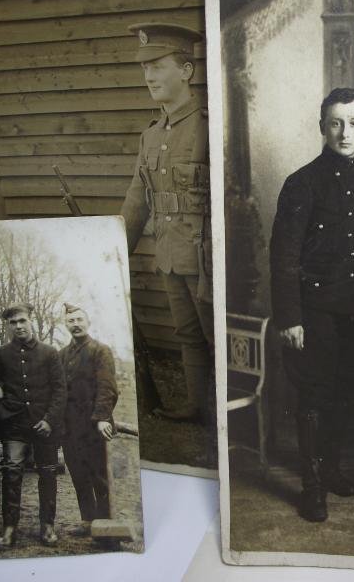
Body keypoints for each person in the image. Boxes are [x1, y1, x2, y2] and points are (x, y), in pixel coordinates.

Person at [270, 87, 354, 522]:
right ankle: (313, 487)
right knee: (314, 397)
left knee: (344, 395)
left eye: (353, 123)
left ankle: (332, 469)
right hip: (314, 312)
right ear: (322, 127)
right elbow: (284, 255)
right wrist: (290, 317)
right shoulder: (302, 183)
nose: (344, 133)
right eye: (336, 123)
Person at [119, 23, 213, 423]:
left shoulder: (209, 127)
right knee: (188, 334)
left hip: (206, 259)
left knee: (214, 335)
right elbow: (136, 202)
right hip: (170, 256)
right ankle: (198, 407)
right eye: (145, 68)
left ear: (187, 71)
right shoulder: (151, 136)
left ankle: (225, 420)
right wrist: (114, 252)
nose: (149, 76)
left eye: (157, 66)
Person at [0, 303, 66, 549]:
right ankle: (9, 527)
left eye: (22, 320)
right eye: (13, 322)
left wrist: (49, 420)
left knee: (48, 473)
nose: (18, 326)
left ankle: (47, 525)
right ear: (8, 326)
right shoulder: (1, 354)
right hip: (14, 425)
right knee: (11, 472)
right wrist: (0, 386)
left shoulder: (49, 353)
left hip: (44, 425)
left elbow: (60, 390)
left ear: (31, 320)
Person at [59, 303, 118, 534]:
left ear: (88, 322)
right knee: (78, 474)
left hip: (94, 425)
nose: (75, 324)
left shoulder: (100, 351)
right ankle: (87, 521)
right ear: (65, 325)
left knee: (98, 476)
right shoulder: (62, 355)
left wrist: (102, 417)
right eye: (71, 321)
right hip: (69, 427)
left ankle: (104, 524)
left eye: (79, 320)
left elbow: (107, 387)